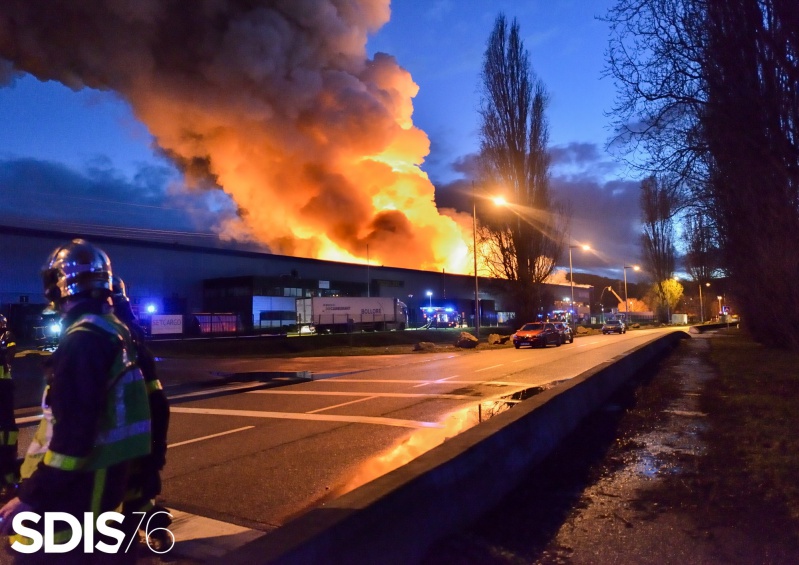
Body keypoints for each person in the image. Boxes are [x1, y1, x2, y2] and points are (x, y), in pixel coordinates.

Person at [0, 239, 151, 561]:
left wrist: (29, 496)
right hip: (103, 482)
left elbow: (72, 438)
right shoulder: (113, 330)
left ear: (57, 287)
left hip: (75, 492)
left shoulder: (82, 341)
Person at [111, 276, 171, 547]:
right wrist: (155, 452)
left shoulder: (107, 345)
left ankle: (145, 528)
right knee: (138, 495)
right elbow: (159, 404)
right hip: (137, 447)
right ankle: (152, 525)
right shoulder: (137, 345)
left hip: (114, 453)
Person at [0, 315, 18, 501]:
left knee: (6, 426)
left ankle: (9, 481)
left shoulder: (7, 336)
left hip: (3, 384)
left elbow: (8, 354)